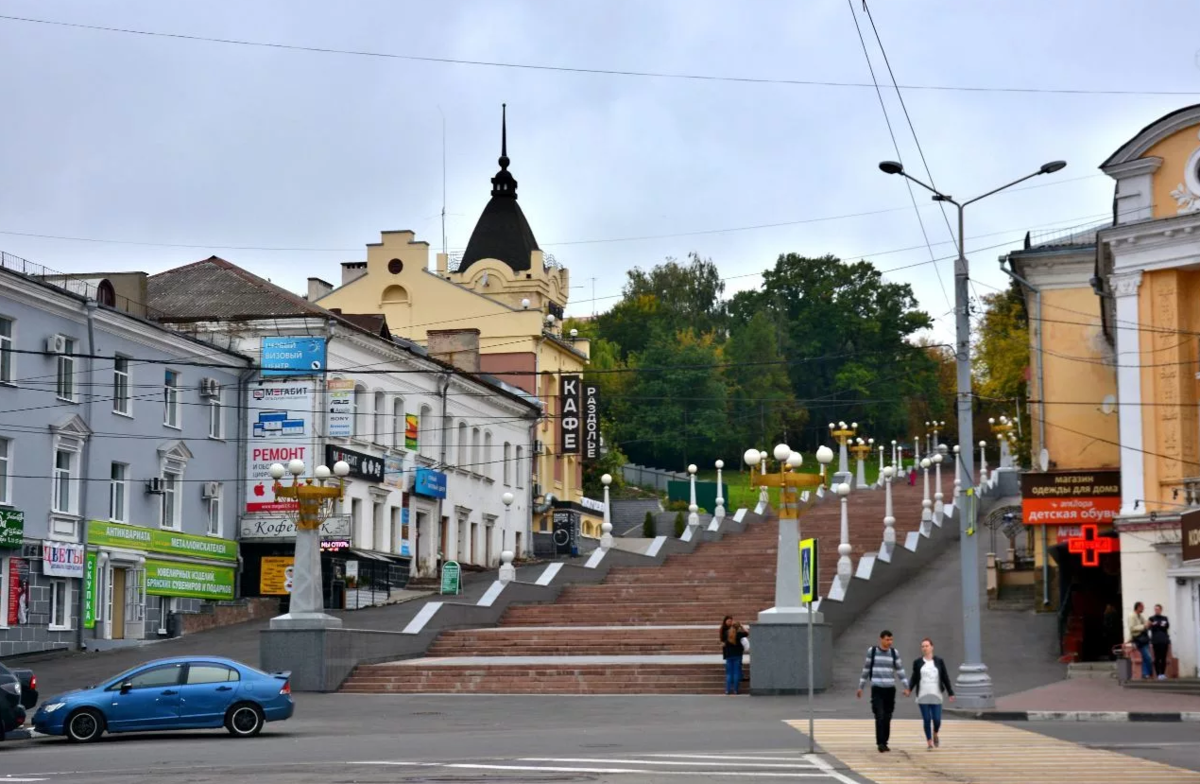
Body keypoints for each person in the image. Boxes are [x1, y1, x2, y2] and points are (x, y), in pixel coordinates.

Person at [856, 629, 909, 753]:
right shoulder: (872, 652)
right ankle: (880, 742)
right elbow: (866, 669)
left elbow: (900, 671)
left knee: (887, 716)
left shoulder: (894, 653)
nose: (889, 642)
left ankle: (885, 742)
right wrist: (861, 687)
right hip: (877, 688)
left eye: (891, 639)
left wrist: (907, 686)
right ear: (881, 639)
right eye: (887, 639)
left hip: (890, 689)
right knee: (879, 715)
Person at [907, 638, 955, 750]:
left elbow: (945, 677)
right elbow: (914, 678)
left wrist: (950, 692)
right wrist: (909, 689)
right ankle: (929, 742)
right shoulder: (917, 662)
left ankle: (935, 732)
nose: (924, 648)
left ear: (932, 647)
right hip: (923, 695)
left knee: (937, 719)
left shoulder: (939, 661)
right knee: (927, 719)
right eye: (923, 646)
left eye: (927, 646)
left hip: (936, 695)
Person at [721, 617, 748, 695]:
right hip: (737, 655)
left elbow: (723, 641)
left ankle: (727, 690)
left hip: (729, 655)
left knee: (729, 673)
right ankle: (735, 690)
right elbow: (747, 633)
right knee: (736, 673)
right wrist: (742, 626)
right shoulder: (739, 634)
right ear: (738, 628)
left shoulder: (726, 633)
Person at [1128, 601, 1152, 680]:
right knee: (1148, 657)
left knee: (1145, 657)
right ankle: (1149, 673)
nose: (1143, 608)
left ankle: (1145, 674)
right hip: (1139, 639)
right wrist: (1143, 626)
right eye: (1142, 607)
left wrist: (1148, 624)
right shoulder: (1132, 616)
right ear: (1138, 607)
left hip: (1144, 638)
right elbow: (1132, 628)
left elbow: (1145, 623)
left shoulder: (1140, 616)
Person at [1148, 604, 1171, 680]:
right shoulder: (1151, 618)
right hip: (1156, 641)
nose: (1156, 610)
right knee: (1157, 658)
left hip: (1164, 640)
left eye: (1158, 609)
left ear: (1161, 610)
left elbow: (1166, 626)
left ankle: (1162, 674)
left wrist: (1157, 624)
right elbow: (1150, 627)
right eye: (1155, 609)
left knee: (1163, 658)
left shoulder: (1165, 618)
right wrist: (1159, 624)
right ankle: (1158, 674)